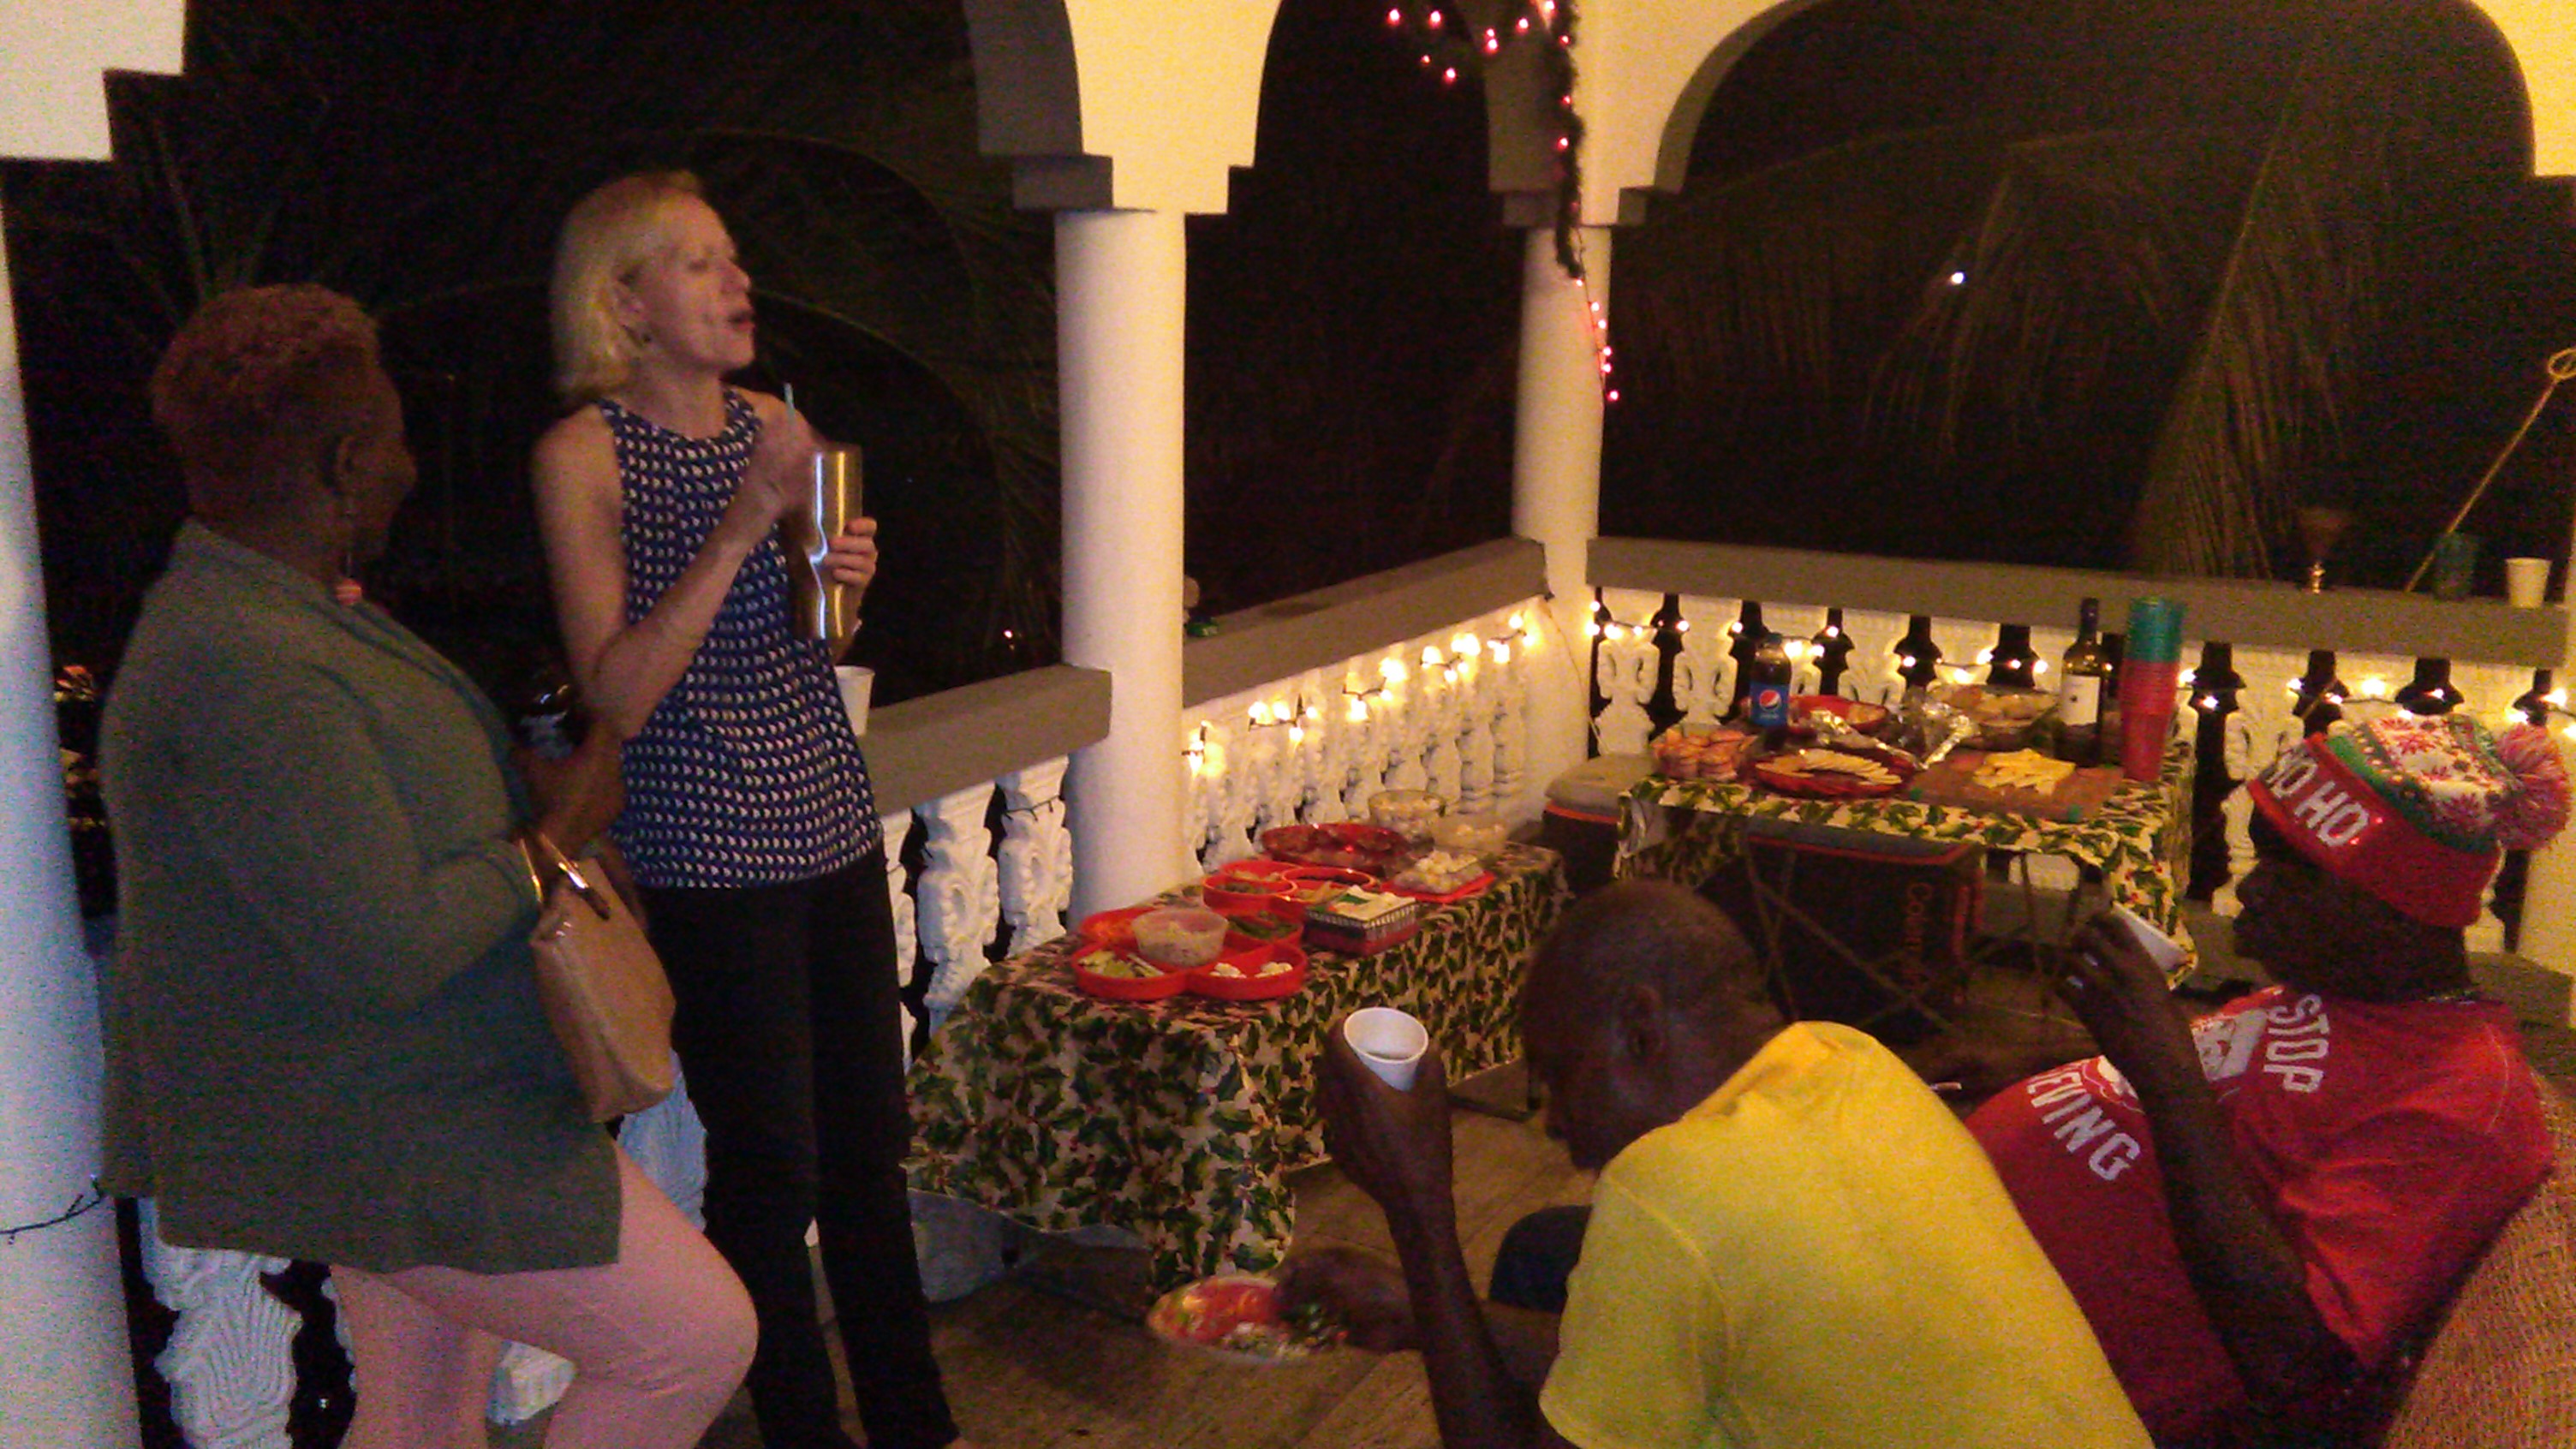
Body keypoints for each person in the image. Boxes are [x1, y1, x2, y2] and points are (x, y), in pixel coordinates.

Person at [99, 283, 754, 1449]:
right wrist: (553, 837)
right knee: (692, 1341)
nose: (412, 468)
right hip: (399, 1122)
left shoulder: (280, 611)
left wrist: (523, 795)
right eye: (396, 438)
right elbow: (384, 940)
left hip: (400, 1103)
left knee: (423, 1415)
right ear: (347, 463)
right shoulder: (246, 658)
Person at [531, 171, 973, 1449]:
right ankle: (800, 1429)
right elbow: (617, 691)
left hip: (826, 819)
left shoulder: (777, 425)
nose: (739, 284)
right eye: (701, 264)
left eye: (734, 260)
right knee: (771, 1170)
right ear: (625, 302)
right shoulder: (581, 457)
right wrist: (740, 529)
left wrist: (842, 577)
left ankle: (916, 1423)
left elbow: (818, 644)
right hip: (706, 853)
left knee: (869, 1150)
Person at [1281, 879, 2151, 1449]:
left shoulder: (1671, 1190)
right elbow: (1702, 1342)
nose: (1553, 1122)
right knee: (1549, 1249)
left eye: (1560, 1075)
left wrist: (1420, 1210)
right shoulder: (1849, 1057)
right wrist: (1424, 1313)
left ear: (1640, 1032)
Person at [1959, 713, 2570, 1446]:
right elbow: (2231, 1099)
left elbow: (2293, 1360)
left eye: (2290, 869)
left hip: (2011, 1367)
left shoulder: (2463, 1097)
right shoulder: (2335, 990)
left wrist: (2165, 1071)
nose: (2250, 891)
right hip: (1963, 1232)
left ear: (2393, 907)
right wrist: (2042, 1071)